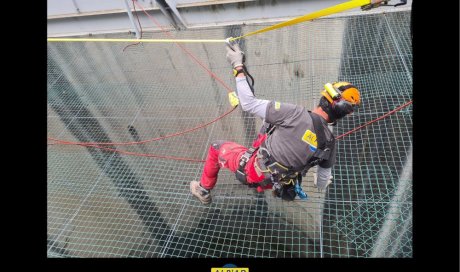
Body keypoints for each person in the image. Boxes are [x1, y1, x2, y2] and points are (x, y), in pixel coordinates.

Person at [190, 39, 360, 205]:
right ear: (342, 115)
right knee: (270, 124)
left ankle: (203, 189)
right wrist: (319, 178)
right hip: (276, 182)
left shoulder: (296, 114)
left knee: (216, 147)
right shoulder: (329, 144)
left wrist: (238, 66)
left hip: (253, 171)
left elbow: (249, 104)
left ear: (325, 97)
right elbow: (322, 183)